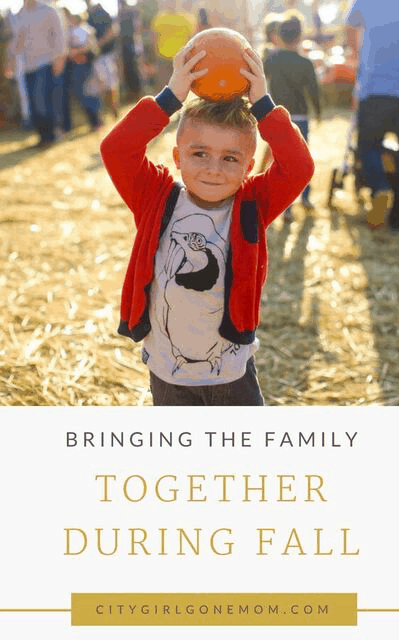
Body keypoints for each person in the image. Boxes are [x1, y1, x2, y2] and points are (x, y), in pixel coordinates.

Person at [100, 41, 314, 405]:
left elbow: (299, 167)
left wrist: (264, 105)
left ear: (248, 167)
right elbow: (116, 149)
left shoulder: (253, 204)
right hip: (168, 374)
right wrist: (170, 97)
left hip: (231, 373)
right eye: (199, 153)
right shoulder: (156, 197)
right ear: (177, 157)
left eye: (230, 158)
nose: (214, 169)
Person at [345, 0, 399, 231]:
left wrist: (357, 59)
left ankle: (379, 186)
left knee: (367, 145)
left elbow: (350, 26)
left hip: (375, 87)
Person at [263, 17, 321, 216]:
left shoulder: (272, 58)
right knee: (302, 159)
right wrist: (319, 112)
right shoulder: (306, 63)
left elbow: (260, 79)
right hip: (301, 116)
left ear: (278, 36)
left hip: (278, 115)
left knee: (280, 160)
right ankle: (305, 197)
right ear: (300, 36)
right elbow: (314, 91)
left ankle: (285, 206)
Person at [6, 0, 67, 148]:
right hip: (27, 66)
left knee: (42, 102)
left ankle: (50, 136)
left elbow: (59, 35)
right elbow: (16, 41)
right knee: (33, 104)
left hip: (45, 62)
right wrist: (10, 62)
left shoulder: (48, 10)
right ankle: (43, 136)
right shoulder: (19, 14)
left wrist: (60, 58)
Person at [86, 1, 120, 119]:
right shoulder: (86, 14)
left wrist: (98, 44)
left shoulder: (100, 11)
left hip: (107, 54)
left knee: (111, 84)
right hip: (95, 57)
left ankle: (113, 109)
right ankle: (104, 113)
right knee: (99, 86)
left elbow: (112, 31)